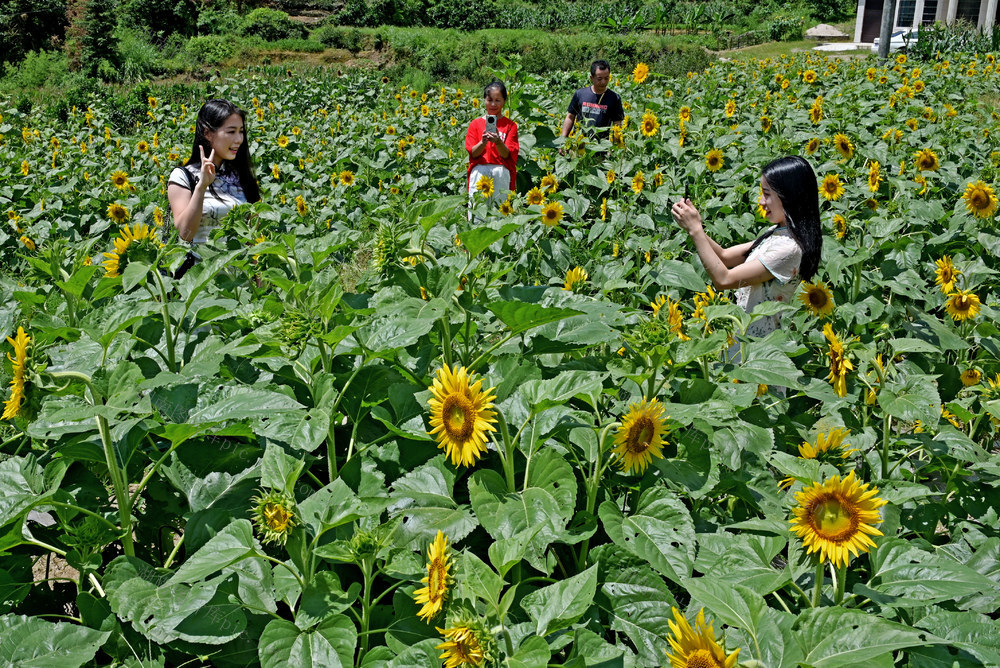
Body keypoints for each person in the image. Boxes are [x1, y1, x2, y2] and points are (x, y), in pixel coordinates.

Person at [671, 155, 822, 358]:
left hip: (757, 353)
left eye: (767, 194)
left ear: (789, 196)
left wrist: (695, 231)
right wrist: (693, 223)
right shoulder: (776, 233)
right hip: (742, 342)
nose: (761, 201)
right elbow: (724, 257)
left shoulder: (789, 249)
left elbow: (724, 279)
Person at [167, 99, 261, 245]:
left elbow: (252, 239)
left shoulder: (241, 176)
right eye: (231, 131)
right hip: (201, 267)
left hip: (238, 267)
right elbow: (185, 234)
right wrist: (202, 186)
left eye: (241, 132)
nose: (239, 139)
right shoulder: (183, 176)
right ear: (207, 133)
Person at [465, 80, 519, 215]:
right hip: (480, 171)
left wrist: (498, 142)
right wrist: (483, 142)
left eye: (498, 100)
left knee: (500, 212)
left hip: (501, 171)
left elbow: (508, 154)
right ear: (484, 100)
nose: (493, 104)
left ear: (504, 101)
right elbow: (473, 153)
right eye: (490, 100)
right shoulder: (475, 124)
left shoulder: (510, 126)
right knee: (477, 213)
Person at [560, 60, 624, 143]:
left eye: (606, 78)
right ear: (591, 78)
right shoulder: (580, 94)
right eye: (599, 79)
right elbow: (570, 117)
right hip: (579, 144)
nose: (603, 82)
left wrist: (614, 148)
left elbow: (617, 124)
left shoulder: (614, 98)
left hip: (601, 147)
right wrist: (562, 140)